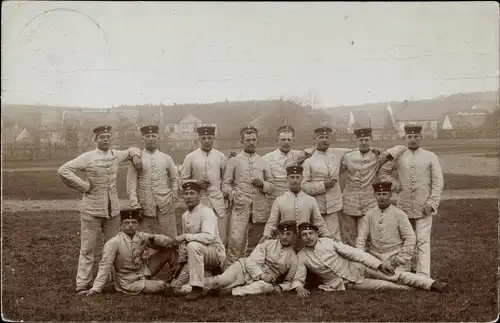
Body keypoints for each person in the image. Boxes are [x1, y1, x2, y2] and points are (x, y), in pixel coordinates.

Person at [57, 125, 143, 293]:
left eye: (108, 137)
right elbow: (63, 170)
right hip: (91, 209)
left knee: (113, 246)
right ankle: (83, 282)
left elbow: (133, 149)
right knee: (88, 248)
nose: (105, 139)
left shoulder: (115, 155)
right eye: (101, 137)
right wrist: (84, 186)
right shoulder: (87, 157)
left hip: (113, 211)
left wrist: (136, 156)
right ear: (94, 140)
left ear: (111, 139)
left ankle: (111, 280)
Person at [291, 222, 449, 297]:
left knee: (394, 275)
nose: (308, 237)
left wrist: (379, 265)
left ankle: (432, 284)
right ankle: (421, 288)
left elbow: (355, 253)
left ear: (316, 233)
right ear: (300, 238)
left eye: (311, 233)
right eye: (304, 235)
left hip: (358, 268)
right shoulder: (302, 256)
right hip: (346, 284)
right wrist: (298, 288)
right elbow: (299, 276)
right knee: (386, 286)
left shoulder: (329, 242)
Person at [378, 124, 444, 277]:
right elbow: (383, 172)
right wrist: (394, 184)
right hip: (404, 206)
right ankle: (405, 270)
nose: (413, 140)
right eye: (410, 137)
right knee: (405, 239)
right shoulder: (400, 155)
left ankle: (423, 274)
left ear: (420, 137)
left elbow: (437, 182)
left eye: (416, 136)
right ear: (405, 137)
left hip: (424, 206)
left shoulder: (430, 156)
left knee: (422, 240)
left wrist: (432, 203)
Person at [77, 208, 178, 296]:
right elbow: (105, 266)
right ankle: (183, 289)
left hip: (144, 271)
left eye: (134, 222)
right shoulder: (114, 242)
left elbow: (166, 241)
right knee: (162, 285)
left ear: (138, 225)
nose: (130, 225)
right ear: (121, 225)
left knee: (169, 251)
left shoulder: (141, 236)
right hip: (128, 282)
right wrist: (96, 289)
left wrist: (161, 240)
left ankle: (178, 278)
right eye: (126, 223)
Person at [339, 127, 407, 246]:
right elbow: (337, 168)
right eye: (361, 140)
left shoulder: (378, 156)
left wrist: (386, 153)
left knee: (366, 235)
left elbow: (402, 149)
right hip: (349, 201)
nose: (364, 142)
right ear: (357, 141)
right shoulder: (348, 156)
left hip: (368, 202)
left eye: (366, 140)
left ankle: (367, 261)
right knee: (349, 237)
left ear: (370, 140)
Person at [202, 221, 299, 297]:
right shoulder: (267, 244)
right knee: (220, 281)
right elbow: (251, 262)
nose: (284, 237)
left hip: (262, 282)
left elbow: (289, 281)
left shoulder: (294, 258)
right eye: (282, 233)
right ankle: (192, 287)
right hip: (243, 269)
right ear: (278, 234)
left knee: (267, 287)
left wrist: (280, 287)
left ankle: (232, 291)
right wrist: (262, 275)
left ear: (294, 236)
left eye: (288, 234)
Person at [222, 126, 274, 266]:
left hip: (259, 209)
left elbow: (271, 186)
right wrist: (234, 196)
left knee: (257, 243)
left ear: (257, 141)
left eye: (253, 140)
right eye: (247, 140)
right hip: (240, 208)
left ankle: (253, 271)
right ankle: (230, 271)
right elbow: (225, 185)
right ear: (242, 141)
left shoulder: (263, 161)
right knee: (236, 241)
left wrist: (262, 184)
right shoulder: (234, 160)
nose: (251, 142)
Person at [168, 181, 226, 301]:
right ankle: (210, 279)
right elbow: (184, 245)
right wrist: (180, 263)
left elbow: (208, 237)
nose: (188, 196)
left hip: (214, 253)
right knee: (174, 288)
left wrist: (185, 236)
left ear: (200, 196)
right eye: (186, 193)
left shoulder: (207, 212)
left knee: (193, 245)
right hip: (195, 255)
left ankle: (197, 288)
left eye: (192, 193)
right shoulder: (185, 215)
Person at [179, 126, 230, 246]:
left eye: (209, 138)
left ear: (214, 138)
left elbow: (227, 179)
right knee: (201, 234)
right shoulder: (191, 157)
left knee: (221, 236)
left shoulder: (220, 156)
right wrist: (196, 183)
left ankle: (220, 261)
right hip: (199, 202)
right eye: (203, 138)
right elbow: (182, 181)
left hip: (218, 202)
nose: (206, 140)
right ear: (199, 139)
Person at [126, 125, 179, 238]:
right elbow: (131, 183)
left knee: (170, 237)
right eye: (147, 136)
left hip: (165, 203)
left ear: (158, 138)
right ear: (142, 138)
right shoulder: (137, 158)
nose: (150, 139)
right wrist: (135, 204)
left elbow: (174, 178)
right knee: (144, 238)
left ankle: (171, 256)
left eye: (153, 136)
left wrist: (173, 195)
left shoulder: (166, 158)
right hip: (144, 204)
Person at [300, 126, 352, 241]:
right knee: (316, 238)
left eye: (327, 137)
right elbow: (303, 185)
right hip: (316, 206)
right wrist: (323, 185)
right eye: (321, 137)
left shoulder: (337, 155)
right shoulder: (308, 160)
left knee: (335, 238)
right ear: (315, 139)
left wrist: (374, 150)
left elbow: (355, 151)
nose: (324, 140)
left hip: (334, 206)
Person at [261, 165, 331, 247]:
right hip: (286, 241)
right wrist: (267, 234)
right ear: (287, 179)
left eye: (297, 177)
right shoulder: (279, 200)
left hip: (305, 241)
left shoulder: (310, 200)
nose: (295, 180)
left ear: (302, 178)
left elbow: (318, 221)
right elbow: (272, 221)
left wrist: (327, 235)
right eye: (292, 177)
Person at [355, 182, 416, 272]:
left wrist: (401, 258)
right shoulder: (369, 215)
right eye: (378, 194)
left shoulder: (399, 214)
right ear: (374, 195)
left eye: (385, 194)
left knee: (397, 279)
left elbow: (410, 238)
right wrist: (361, 255)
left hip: (394, 257)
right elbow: (361, 238)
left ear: (390, 195)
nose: (382, 197)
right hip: (375, 258)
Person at [261, 125, 313, 207]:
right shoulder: (267, 158)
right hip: (274, 201)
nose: (286, 142)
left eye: (289, 140)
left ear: (293, 141)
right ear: (277, 141)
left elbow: (315, 151)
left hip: (295, 200)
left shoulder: (299, 155)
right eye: (283, 140)